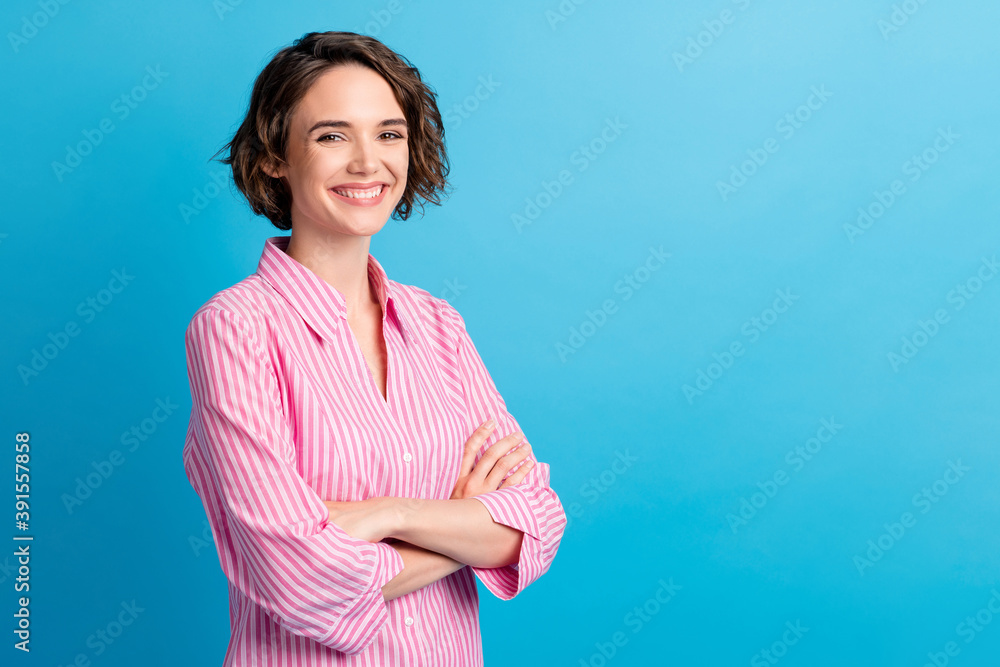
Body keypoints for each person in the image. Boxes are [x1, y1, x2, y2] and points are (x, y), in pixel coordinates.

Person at [181, 31, 566, 666]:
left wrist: (392, 514)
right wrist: (461, 525)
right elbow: (297, 578)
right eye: (332, 136)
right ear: (275, 157)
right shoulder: (234, 330)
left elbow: (538, 522)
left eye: (389, 134)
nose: (368, 162)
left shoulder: (437, 325)